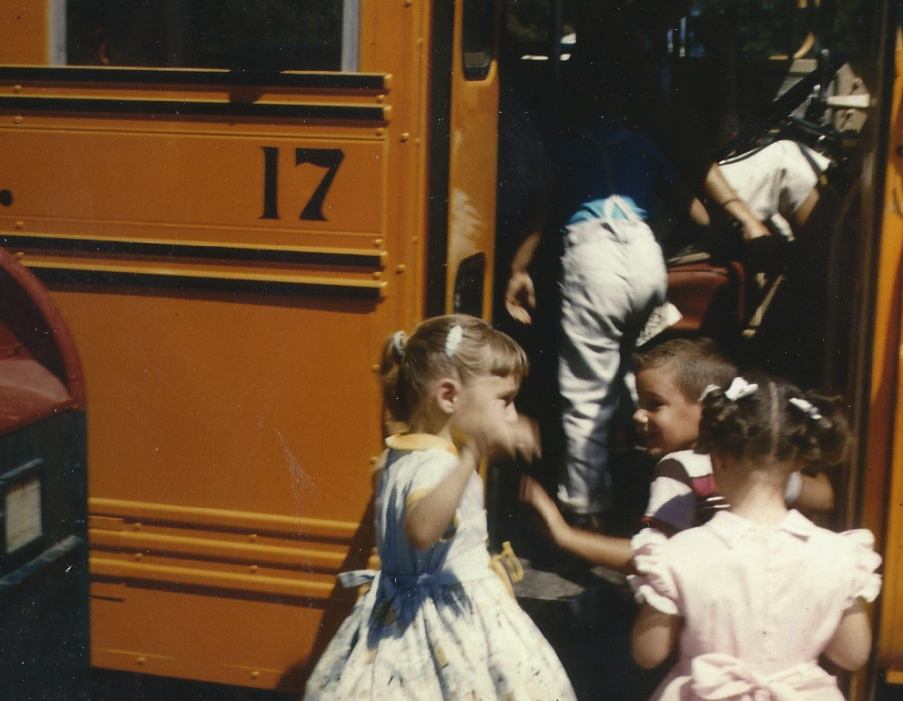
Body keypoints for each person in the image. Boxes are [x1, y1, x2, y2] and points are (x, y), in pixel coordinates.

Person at [304, 314, 577, 700]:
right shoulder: (441, 465)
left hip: (407, 611)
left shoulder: (397, 453)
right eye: (505, 400)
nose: (512, 416)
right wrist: (473, 454)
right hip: (441, 624)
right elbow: (420, 530)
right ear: (448, 396)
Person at [505, 114, 709, 528]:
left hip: (593, 257)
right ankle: (633, 477)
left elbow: (541, 209)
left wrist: (519, 268)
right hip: (645, 254)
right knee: (624, 367)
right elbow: (701, 217)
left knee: (587, 391)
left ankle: (585, 512)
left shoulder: (563, 145)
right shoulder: (640, 142)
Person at [629, 373, 881, 700]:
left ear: (718, 458)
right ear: (799, 462)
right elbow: (853, 654)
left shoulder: (680, 553)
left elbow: (648, 653)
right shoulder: (839, 554)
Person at [520, 337, 834, 572]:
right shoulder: (754, 460)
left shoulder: (677, 468)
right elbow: (824, 497)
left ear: (706, 407)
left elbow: (652, 559)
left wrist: (564, 535)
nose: (638, 416)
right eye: (638, 404)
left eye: (654, 404)